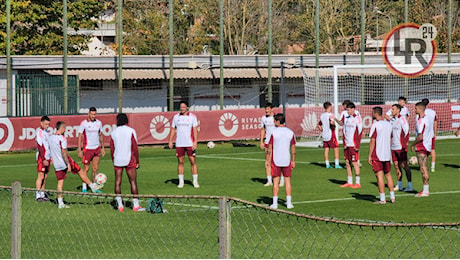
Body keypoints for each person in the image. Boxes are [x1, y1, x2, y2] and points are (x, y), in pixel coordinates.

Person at [49, 121, 103, 209]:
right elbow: (64, 152)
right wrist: (68, 164)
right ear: (62, 129)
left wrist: (51, 159)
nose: (65, 130)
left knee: (60, 183)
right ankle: (92, 186)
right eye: (65, 128)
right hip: (65, 161)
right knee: (80, 171)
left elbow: (50, 149)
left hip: (57, 163)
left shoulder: (50, 138)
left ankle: (60, 203)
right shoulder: (62, 139)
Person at [110, 113, 143, 212]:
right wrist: (137, 160)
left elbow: (112, 148)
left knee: (117, 182)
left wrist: (113, 160)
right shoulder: (131, 131)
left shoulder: (113, 132)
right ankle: (135, 205)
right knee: (133, 182)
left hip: (117, 160)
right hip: (129, 159)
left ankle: (120, 205)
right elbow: (135, 147)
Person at [168, 101, 199, 188]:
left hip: (189, 143)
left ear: (187, 107)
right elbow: (173, 129)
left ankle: (195, 181)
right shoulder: (176, 117)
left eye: (183, 107)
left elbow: (195, 130)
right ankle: (181, 181)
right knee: (180, 162)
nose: (182, 108)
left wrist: (195, 142)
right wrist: (170, 141)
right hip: (179, 143)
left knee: (192, 161)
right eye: (180, 107)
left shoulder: (192, 117)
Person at [268, 113, 296, 210]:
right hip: (286, 160)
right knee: (287, 181)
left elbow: (269, 148)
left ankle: (275, 203)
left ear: (278, 121)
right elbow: (293, 147)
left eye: (275, 120)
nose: (273, 122)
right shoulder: (290, 132)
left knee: (276, 182)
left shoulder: (274, 132)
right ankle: (289, 203)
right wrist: (293, 160)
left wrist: (268, 160)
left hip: (276, 160)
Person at [369, 107, 396, 204]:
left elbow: (373, 140)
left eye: (372, 112)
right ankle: (392, 198)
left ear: (375, 113)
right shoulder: (388, 124)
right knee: (388, 175)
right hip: (387, 154)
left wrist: (370, 155)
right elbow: (390, 139)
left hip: (378, 154)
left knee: (379, 175)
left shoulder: (375, 125)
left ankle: (382, 199)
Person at [77, 107, 105, 193]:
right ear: (88, 114)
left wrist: (103, 147)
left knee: (95, 168)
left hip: (96, 148)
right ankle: (84, 186)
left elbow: (100, 135)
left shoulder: (99, 123)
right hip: (87, 149)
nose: (93, 116)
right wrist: (79, 149)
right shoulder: (84, 123)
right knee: (86, 169)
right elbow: (80, 136)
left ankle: (94, 186)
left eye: (94, 114)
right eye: (92, 114)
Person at [410, 102, 434, 197]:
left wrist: (412, 144)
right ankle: (426, 190)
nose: (414, 110)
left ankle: (425, 191)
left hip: (421, 146)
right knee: (424, 168)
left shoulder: (421, 121)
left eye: (415, 108)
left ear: (420, 109)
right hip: (427, 145)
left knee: (423, 168)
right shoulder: (428, 119)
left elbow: (420, 136)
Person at [260, 103, 284, 186]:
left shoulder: (276, 118)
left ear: (272, 109)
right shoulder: (263, 118)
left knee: (279, 161)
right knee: (267, 162)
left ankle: (282, 180)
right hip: (267, 143)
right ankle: (269, 180)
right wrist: (261, 142)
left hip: (277, 143)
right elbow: (263, 130)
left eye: (268, 109)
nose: (266, 111)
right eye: (265, 109)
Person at [389, 104, 413, 192]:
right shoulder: (391, 120)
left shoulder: (402, 119)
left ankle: (410, 185)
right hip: (393, 147)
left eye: (393, 109)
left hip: (401, 147)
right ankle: (399, 184)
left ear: (398, 110)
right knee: (396, 166)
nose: (391, 110)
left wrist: (404, 146)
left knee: (404, 165)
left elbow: (406, 133)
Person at [339, 102, 363, 188]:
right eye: (346, 110)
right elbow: (344, 132)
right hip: (347, 144)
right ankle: (349, 181)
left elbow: (359, 132)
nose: (347, 111)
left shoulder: (357, 118)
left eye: (348, 110)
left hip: (353, 145)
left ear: (353, 109)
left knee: (354, 162)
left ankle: (358, 182)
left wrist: (357, 145)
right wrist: (344, 143)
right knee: (347, 162)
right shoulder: (346, 118)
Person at [336, 100, 363, 167]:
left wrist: (336, 120)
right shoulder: (345, 114)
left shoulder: (355, 114)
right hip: (347, 135)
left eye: (344, 105)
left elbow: (359, 124)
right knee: (349, 151)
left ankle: (356, 161)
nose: (343, 107)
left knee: (355, 146)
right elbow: (342, 123)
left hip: (353, 135)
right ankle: (350, 163)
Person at [317, 101, 342, 169]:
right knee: (336, 148)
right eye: (331, 107)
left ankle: (327, 164)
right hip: (331, 134)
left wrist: (323, 130)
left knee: (326, 149)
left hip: (324, 135)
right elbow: (332, 123)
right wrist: (334, 125)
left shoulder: (322, 115)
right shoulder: (330, 115)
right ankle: (337, 164)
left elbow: (318, 125)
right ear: (329, 107)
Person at [35, 116, 51, 201]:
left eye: (48, 124)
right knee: (40, 175)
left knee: (45, 176)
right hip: (42, 157)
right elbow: (40, 146)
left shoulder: (47, 132)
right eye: (46, 124)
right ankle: (38, 195)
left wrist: (50, 157)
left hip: (47, 157)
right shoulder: (39, 132)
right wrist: (44, 158)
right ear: (41, 123)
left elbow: (48, 145)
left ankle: (42, 193)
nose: (47, 126)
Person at [421, 98, 437, 172]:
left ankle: (424, 167)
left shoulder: (421, 111)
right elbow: (435, 123)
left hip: (424, 134)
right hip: (431, 134)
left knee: (423, 151)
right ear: (428, 104)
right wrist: (435, 133)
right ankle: (432, 167)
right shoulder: (433, 112)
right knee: (432, 150)